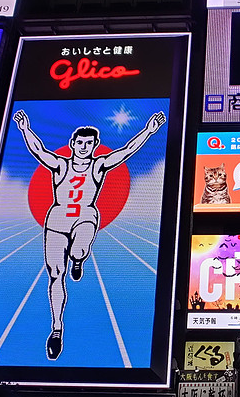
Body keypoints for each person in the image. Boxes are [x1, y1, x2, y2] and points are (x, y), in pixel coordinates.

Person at [13, 109, 166, 360]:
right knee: (54, 274)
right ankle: (56, 330)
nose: (84, 147)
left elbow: (126, 151)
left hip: (85, 216)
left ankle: (78, 259)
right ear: (73, 144)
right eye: (80, 143)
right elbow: (38, 150)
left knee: (79, 249)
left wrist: (149, 130)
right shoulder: (61, 165)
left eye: (89, 143)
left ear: (95, 146)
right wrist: (25, 128)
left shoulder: (98, 165)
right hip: (57, 220)